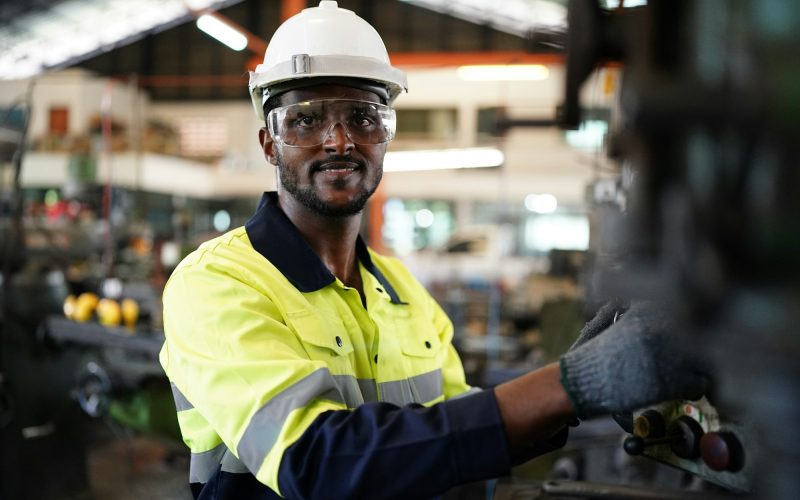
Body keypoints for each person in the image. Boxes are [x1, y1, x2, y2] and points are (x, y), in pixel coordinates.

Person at [159, 2, 708, 499]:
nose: (339, 140)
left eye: (363, 116)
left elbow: (457, 440)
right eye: (305, 119)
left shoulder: (403, 293)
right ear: (268, 143)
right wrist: (575, 383)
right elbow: (320, 462)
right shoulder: (217, 284)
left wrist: (593, 381)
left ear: (385, 135)